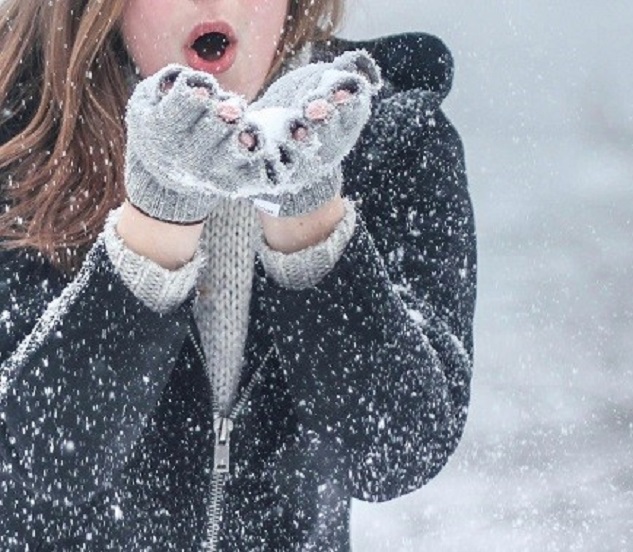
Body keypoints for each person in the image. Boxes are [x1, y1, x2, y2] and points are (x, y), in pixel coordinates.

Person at [0, 0, 476, 549]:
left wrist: (308, 210)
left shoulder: (392, 140)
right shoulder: (21, 147)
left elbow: (395, 454)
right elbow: (44, 458)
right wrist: (158, 216)